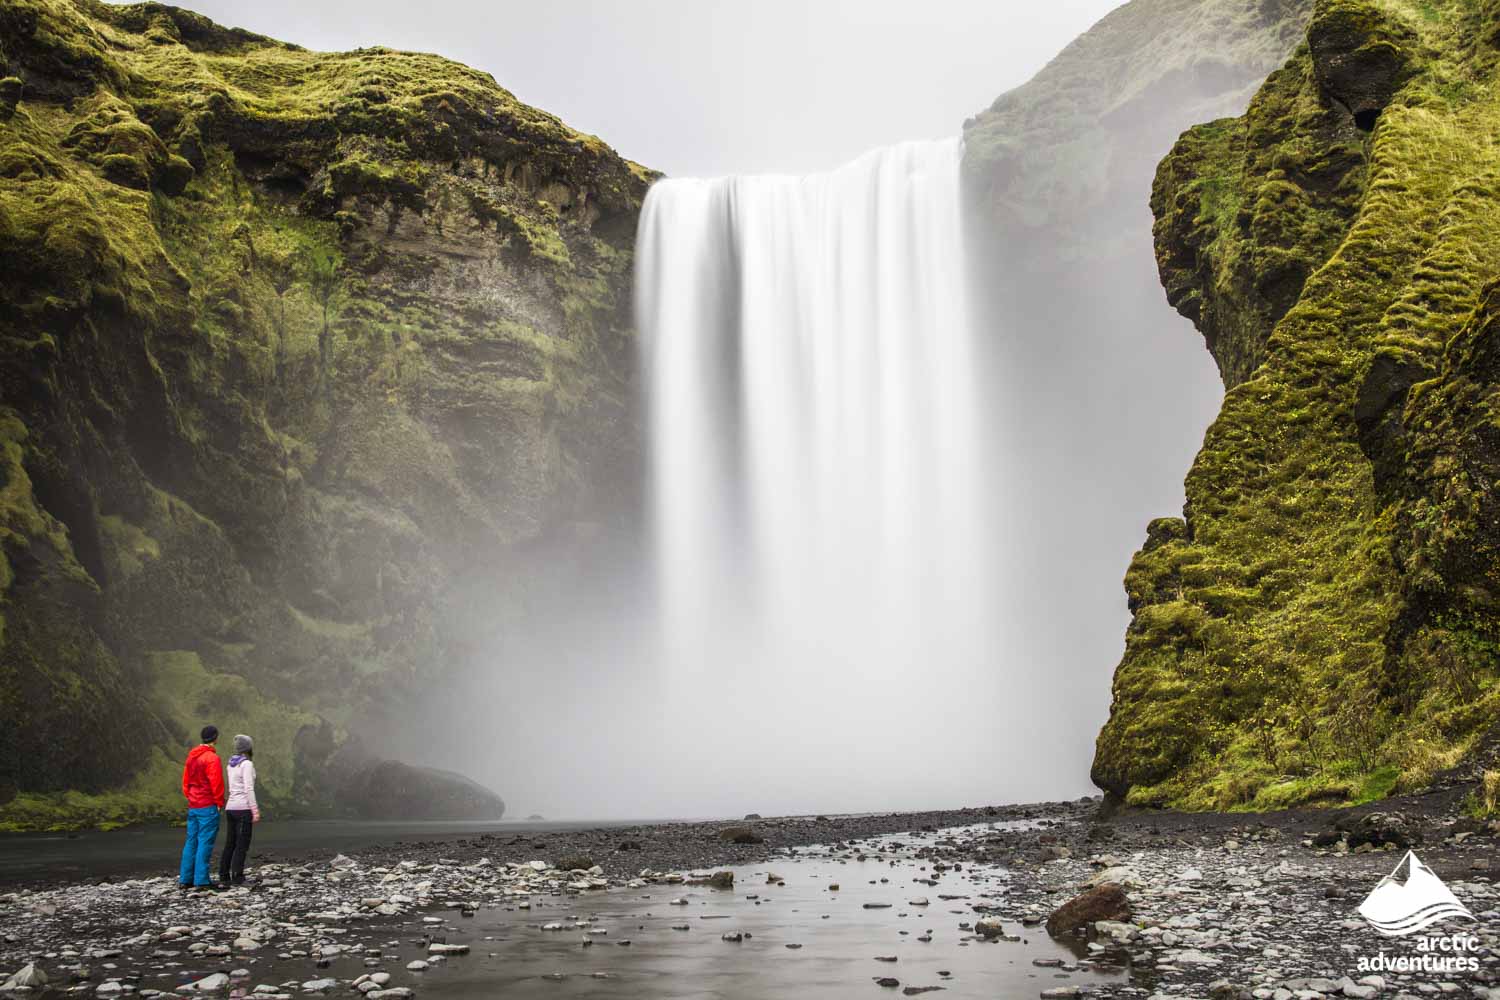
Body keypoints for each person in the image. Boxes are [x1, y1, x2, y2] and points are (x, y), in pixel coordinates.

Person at [179, 725, 225, 891]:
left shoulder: (191, 757)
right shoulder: (212, 758)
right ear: (215, 738)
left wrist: (190, 797)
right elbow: (216, 783)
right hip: (207, 805)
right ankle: (201, 880)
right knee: (205, 842)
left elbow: (185, 782)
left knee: (191, 841)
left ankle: (185, 879)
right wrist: (219, 802)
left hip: (194, 805)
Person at [219, 734, 261, 886]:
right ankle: (238, 877)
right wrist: (254, 811)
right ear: (248, 748)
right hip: (243, 808)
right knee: (242, 844)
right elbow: (248, 788)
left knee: (230, 843)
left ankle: (224, 875)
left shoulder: (230, 764)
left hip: (230, 807)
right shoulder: (247, 764)